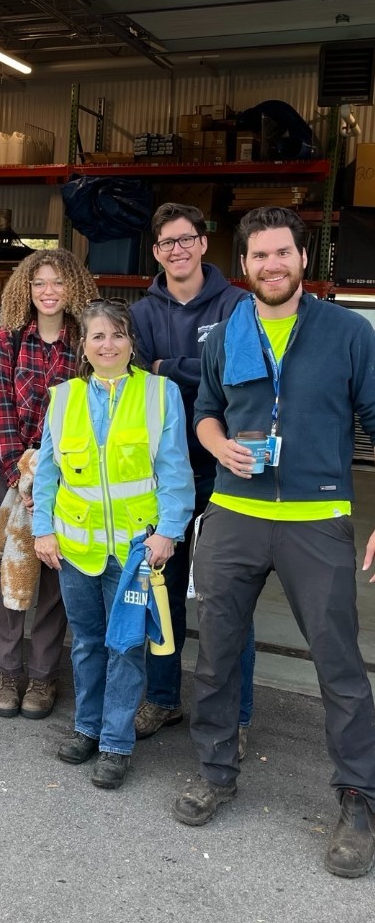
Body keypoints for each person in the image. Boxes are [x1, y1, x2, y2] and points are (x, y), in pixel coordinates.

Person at [173, 206, 375, 880]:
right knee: (217, 652)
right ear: (244, 264)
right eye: (259, 255)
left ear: (303, 257)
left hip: (317, 517)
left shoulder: (348, 332)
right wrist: (218, 446)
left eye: (282, 252)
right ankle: (215, 771)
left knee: (338, 663)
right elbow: (206, 411)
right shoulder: (227, 333)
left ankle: (358, 798)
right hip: (235, 514)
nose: (271, 265)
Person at [33, 299, 193, 789]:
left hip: (134, 551)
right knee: (86, 643)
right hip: (77, 548)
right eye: (98, 336)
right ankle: (87, 727)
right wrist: (43, 528)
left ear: (131, 343)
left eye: (118, 335)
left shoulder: (160, 393)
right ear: (83, 345)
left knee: (125, 646)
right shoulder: (64, 398)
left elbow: (175, 469)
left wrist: (169, 531)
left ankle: (116, 744)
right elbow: (47, 471)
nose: (108, 345)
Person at [129, 203, 256, 752]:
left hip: (226, 469)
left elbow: (239, 375)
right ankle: (162, 698)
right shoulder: (140, 313)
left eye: (185, 239)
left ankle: (236, 716)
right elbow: (137, 376)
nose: (176, 250)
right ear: (156, 252)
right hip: (162, 474)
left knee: (228, 599)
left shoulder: (238, 305)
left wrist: (168, 367)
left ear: (204, 243)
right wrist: (190, 370)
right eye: (166, 243)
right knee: (162, 590)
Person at [0, 249, 98, 719]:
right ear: (25, 290)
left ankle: (43, 676)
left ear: (74, 288)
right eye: (39, 283)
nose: (48, 292)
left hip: (69, 478)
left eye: (58, 282)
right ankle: (7, 672)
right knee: (12, 576)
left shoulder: (87, 341)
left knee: (56, 580)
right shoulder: (8, 339)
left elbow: (93, 413)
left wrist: (54, 479)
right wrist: (21, 478)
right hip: (14, 473)